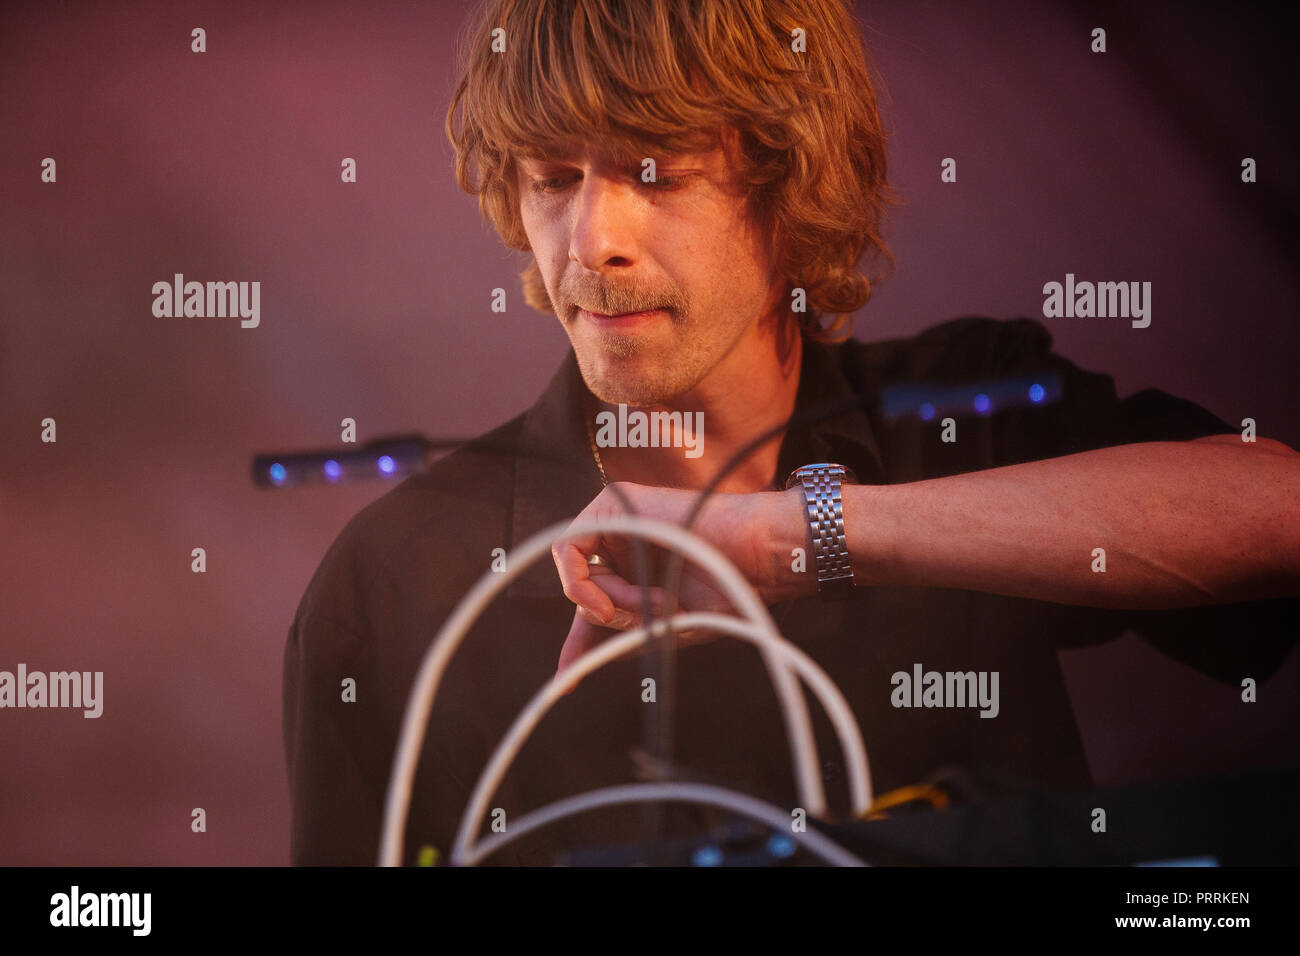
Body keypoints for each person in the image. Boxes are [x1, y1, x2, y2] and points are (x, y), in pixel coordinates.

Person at [282, 0, 1300, 865]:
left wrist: (794, 534)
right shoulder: (392, 582)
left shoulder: (966, 406)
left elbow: (1279, 512)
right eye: (553, 179)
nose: (594, 239)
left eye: (654, 171)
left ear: (789, 177)